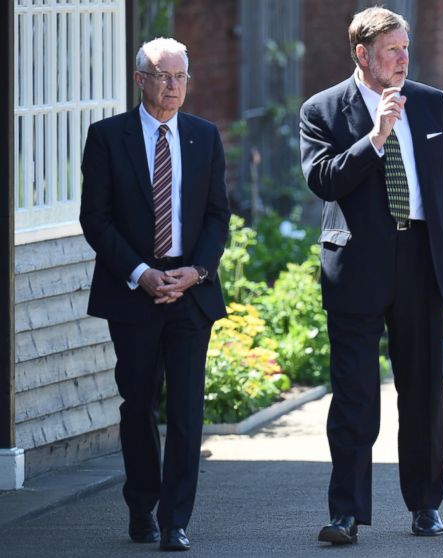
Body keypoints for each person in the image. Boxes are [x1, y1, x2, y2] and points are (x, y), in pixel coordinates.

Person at [299, 7, 443, 545]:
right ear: (362, 54)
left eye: (406, 48)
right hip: (356, 266)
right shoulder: (323, 109)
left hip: (421, 260)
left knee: (422, 391)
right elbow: (323, 181)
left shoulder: (430, 102)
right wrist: (375, 138)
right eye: (392, 50)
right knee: (354, 395)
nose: (403, 58)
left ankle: (425, 504)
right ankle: (347, 513)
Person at [79, 37, 231, 552]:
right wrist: (141, 272)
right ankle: (142, 504)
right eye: (164, 76)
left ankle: (175, 520)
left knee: (188, 409)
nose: (174, 86)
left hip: (191, 291)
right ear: (140, 79)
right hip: (133, 290)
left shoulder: (204, 136)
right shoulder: (107, 137)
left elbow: (216, 215)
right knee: (139, 401)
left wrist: (198, 271)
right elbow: (94, 219)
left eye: (181, 77)